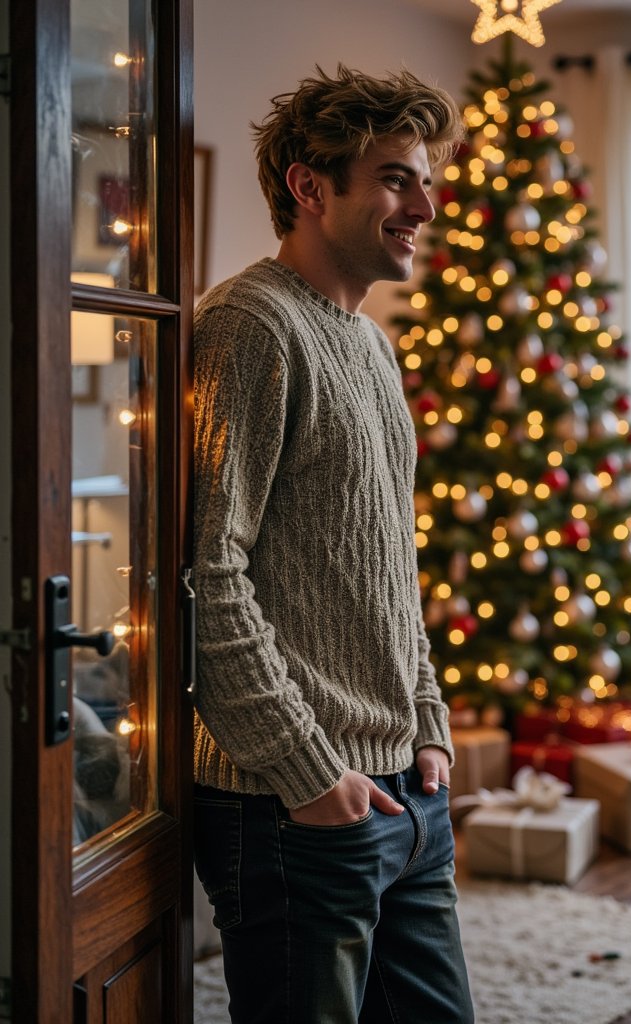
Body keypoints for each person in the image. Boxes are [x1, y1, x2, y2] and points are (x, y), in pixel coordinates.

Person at [191, 65, 473, 1024]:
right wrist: (310, 774)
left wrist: (427, 723)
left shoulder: (369, 343)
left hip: (405, 791)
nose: (423, 206)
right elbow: (209, 573)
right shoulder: (248, 326)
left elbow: (390, 564)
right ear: (311, 188)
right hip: (294, 804)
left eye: (423, 181)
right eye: (397, 178)